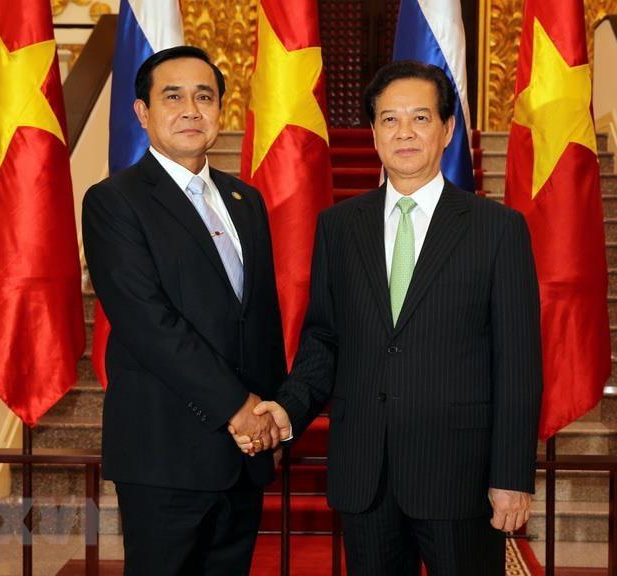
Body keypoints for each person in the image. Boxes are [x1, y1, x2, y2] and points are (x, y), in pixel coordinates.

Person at [234, 60, 543, 575]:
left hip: (458, 478)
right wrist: (287, 411)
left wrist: (512, 475)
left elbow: (518, 363)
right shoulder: (339, 226)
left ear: (446, 130)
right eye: (389, 119)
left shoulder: (498, 229)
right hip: (365, 475)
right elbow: (324, 341)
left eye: (420, 118)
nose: (404, 132)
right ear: (374, 132)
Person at [82, 46, 286, 576]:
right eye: (172, 96)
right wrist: (236, 407)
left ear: (221, 111)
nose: (191, 109)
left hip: (244, 455)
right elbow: (149, 323)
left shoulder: (247, 200)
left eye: (205, 96)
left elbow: (261, 321)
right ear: (143, 112)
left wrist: (272, 418)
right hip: (164, 453)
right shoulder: (115, 201)